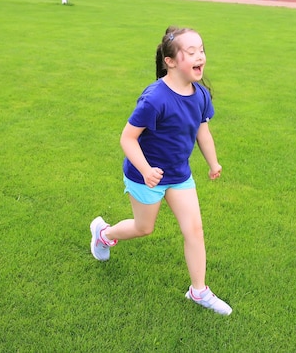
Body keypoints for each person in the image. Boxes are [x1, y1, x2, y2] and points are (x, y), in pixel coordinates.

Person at [90, 26, 232, 316]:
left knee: (194, 229)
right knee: (144, 228)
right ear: (170, 61)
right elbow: (127, 138)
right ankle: (103, 234)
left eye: (202, 50)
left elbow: (202, 132)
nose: (200, 56)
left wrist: (213, 162)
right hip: (146, 175)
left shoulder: (201, 95)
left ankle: (198, 291)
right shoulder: (155, 98)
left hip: (179, 174)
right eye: (191, 52)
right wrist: (145, 170)